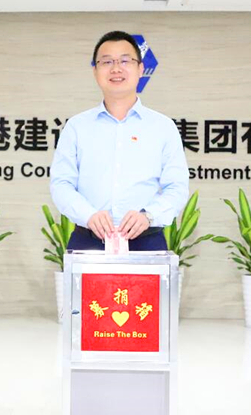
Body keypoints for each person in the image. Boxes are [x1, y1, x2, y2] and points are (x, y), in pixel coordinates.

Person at [50, 31, 189, 251]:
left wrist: (149, 216)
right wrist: (89, 215)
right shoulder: (76, 127)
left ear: (140, 69)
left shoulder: (163, 127)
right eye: (107, 62)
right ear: (95, 71)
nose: (116, 68)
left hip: (146, 240)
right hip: (88, 240)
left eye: (125, 61)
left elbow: (177, 187)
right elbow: (61, 184)